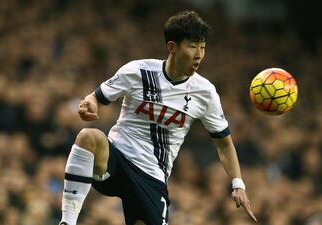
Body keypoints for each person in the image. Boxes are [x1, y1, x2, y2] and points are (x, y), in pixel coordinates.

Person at [59, 10, 257, 225]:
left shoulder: (205, 92)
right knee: (88, 136)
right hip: (117, 159)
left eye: (203, 47)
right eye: (192, 46)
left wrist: (238, 184)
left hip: (152, 176)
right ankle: (67, 221)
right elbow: (97, 97)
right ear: (172, 47)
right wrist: (89, 103)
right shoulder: (138, 71)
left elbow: (224, 144)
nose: (199, 54)